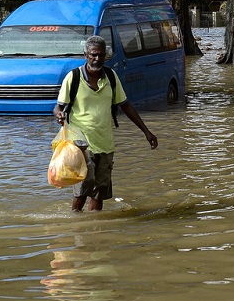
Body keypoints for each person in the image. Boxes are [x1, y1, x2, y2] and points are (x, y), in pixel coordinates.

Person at [53, 35, 158, 212]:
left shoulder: (111, 76)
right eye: (93, 55)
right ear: (86, 55)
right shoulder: (74, 77)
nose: (97, 59)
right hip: (81, 145)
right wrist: (59, 115)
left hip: (106, 144)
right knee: (82, 190)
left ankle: (96, 232)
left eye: (101, 55)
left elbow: (125, 105)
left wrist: (146, 132)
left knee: (99, 192)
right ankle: (75, 226)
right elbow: (58, 107)